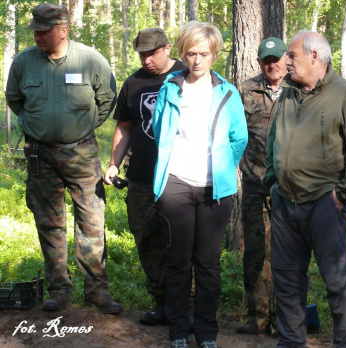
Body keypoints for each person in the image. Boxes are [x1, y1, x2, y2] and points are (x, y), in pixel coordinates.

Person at [263, 30, 346, 348]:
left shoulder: (344, 93)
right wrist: (272, 182)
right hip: (285, 202)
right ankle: (290, 342)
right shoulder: (287, 92)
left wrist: (342, 194)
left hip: (324, 202)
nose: (286, 61)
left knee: (337, 280)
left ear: (315, 57)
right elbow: (275, 138)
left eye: (292, 55)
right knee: (286, 280)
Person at [5, 3, 121, 314]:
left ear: (63, 30)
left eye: (44, 32)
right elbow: (15, 99)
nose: (38, 37)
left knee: (91, 221)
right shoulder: (24, 63)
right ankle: (58, 289)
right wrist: (40, 126)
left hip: (81, 153)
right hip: (40, 153)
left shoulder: (90, 60)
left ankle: (97, 291)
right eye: (36, 32)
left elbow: (107, 99)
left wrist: (80, 129)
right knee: (49, 222)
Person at [151, 21, 248, 348]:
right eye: (191, 53)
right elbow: (159, 128)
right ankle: (178, 333)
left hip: (214, 191)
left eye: (203, 53)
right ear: (182, 53)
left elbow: (239, 138)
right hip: (175, 185)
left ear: (214, 54)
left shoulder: (227, 92)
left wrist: (221, 168)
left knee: (208, 264)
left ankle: (206, 335)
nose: (197, 60)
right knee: (178, 262)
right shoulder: (169, 87)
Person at [103, 28, 185, 325]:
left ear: (167, 48)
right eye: (142, 53)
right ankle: (163, 304)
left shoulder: (187, 74)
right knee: (147, 240)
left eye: (152, 52)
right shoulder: (134, 83)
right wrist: (114, 162)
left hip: (181, 175)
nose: (147, 59)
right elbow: (124, 126)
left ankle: (187, 306)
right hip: (141, 176)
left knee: (182, 242)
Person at [237, 37, 288, 335]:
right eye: (266, 60)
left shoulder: (298, 91)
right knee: (256, 252)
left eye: (277, 58)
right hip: (255, 183)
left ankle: (285, 318)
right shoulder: (244, 91)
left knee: (288, 252)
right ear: (259, 63)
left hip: (289, 186)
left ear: (286, 60)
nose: (272, 64)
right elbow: (233, 132)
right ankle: (256, 317)